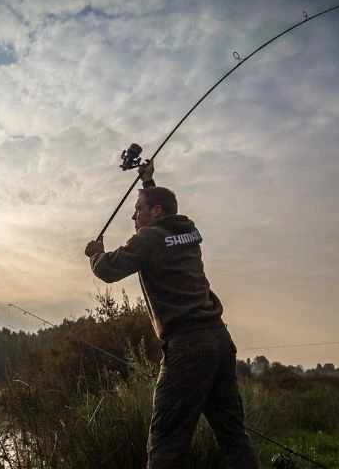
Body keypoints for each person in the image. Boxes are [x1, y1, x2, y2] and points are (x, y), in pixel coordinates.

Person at [84, 159, 261, 469]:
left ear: (155, 212)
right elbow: (166, 215)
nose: (133, 216)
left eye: (138, 209)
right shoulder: (189, 232)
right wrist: (149, 183)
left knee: (165, 443)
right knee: (233, 436)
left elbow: (110, 270)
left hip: (187, 348)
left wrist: (96, 253)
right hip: (219, 342)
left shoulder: (149, 239)